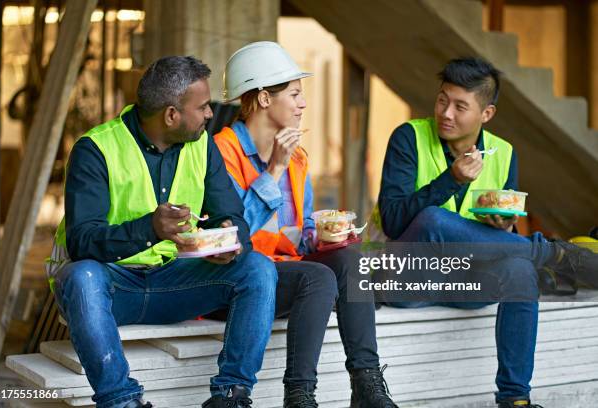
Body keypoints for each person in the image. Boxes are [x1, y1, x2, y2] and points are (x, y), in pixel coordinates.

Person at [46, 56, 278, 408]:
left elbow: (230, 214)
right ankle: (122, 401)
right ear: (171, 115)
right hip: (112, 288)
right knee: (81, 276)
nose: (209, 114)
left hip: (175, 283)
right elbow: (82, 241)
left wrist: (230, 238)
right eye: (201, 107)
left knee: (258, 268)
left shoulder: (202, 145)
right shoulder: (95, 149)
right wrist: (149, 229)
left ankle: (231, 396)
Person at [373, 57, 598, 408]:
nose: (446, 113)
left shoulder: (504, 154)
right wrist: (452, 180)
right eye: (442, 100)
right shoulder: (408, 138)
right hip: (408, 278)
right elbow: (393, 221)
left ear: (486, 114)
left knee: (520, 269)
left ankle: (515, 399)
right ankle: (554, 254)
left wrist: (506, 227)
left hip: (466, 281)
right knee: (432, 219)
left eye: (460, 106)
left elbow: (504, 236)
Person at [213, 41, 398, 408]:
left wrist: (329, 235)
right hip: (241, 281)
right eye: (295, 94)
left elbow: (303, 237)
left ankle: (367, 385)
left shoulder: (297, 156)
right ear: (264, 98)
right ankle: (299, 395)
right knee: (319, 278)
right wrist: (273, 169)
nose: (303, 104)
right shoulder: (223, 151)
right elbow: (233, 236)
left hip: (289, 273)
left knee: (352, 260)